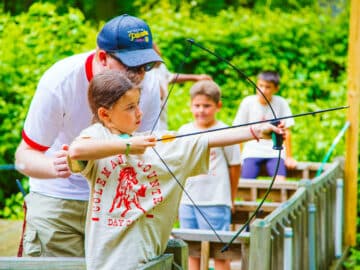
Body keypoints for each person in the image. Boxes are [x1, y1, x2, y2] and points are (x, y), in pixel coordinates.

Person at [66, 70, 285, 269]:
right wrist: (129, 146)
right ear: (105, 115)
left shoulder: (158, 146)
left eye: (139, 104)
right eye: (130, 107)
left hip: (148, 261)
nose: (139, 113)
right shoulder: (98, 137)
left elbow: (208, 138)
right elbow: (77, 150)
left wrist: (257, 131)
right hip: (105, 263)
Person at [14, 14, 163, 257]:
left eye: (145, 65)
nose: (139, 74)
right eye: (130, 65)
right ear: (102, 57)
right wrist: (55, 166)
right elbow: (24, 156)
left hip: (116, 200)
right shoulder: (59, 81)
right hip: (59, 201)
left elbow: (144, 149)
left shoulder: (148, 82)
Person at [178, 80, 240, 270]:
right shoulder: (184, 131)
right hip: (187, 202)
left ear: (218, 106)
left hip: (216, 201)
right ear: (190, 106)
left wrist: (231, 198)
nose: (201, 110)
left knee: (220, 253)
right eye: (197, 105)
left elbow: (235, 166)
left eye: (207, 106)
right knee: (191, 251)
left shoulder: (227, 132)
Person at [233, 70, 297, 181]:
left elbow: (286, 131)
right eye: (260, 85)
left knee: (280, 183)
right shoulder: (247, 102)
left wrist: (289, 157)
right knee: (246, 184)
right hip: (251, 151)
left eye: (268, 87)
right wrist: (238, 156)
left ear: (276, 89)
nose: (263, 90)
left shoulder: (281, 103)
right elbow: (239, 130)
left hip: (275, 152)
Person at [151, 43, 212, 130]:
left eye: (158, 49)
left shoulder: (160, 67)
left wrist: (196, 78)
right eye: (155, 50)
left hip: (161, 123)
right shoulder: (141, 71)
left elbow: (170, 77)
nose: (159, 53)